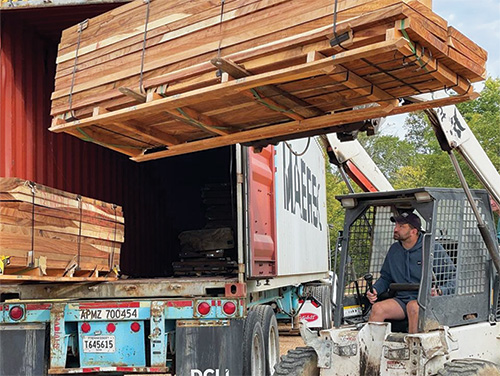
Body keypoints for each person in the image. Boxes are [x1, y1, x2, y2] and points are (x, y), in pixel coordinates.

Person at [366, 212, 455, 334]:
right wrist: (375, 289)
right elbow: (386, 277)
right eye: (396, 225)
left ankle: (413, 349)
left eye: (401, 226)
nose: (396, 229)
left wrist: (440, 291)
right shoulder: (394, 250)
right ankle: (372, 350)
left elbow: (453, 277)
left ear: (414, 231)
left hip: (426, 301)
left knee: (413, 307)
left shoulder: (432, 249)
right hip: (402, 299)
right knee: (378, 309)